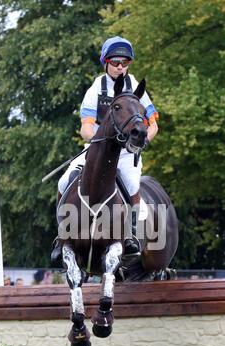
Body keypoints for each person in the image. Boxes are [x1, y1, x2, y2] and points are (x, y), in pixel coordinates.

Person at [51, 36, 159, 262]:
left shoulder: (136, 87)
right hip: (99, 152)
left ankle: (128, 236)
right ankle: (62, 236)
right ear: (106, 62)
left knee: (131, 186)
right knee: (63, 181)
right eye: (115, 62)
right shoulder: (95, 89)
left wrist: (142, 141)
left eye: (125, 63)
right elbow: (86, 129)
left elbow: (153, 124)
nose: (120, 67)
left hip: (127, 154)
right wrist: (102, 141)